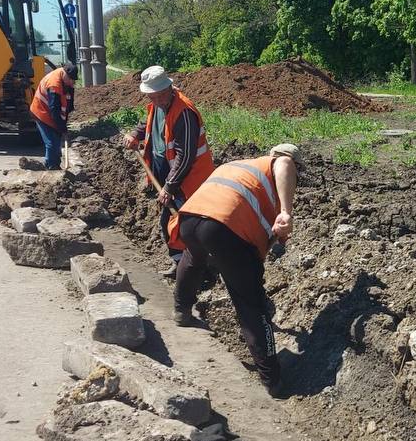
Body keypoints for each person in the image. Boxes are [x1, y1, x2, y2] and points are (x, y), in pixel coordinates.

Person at [171, 144, 300, 396]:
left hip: (191, 220)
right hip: (223, 228)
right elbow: (285, 164)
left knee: (193, 257)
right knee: (249, 303)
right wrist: (286, 211)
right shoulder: (280, 164)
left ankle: (181, 310)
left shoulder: (240, 168)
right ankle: (272, 379)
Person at [123, 66, 213, 246]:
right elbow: (147, 122)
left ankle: (191, 264)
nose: (157, 101)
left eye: (161, 95)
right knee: (170, 221)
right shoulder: (159, 104)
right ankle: (182, 261)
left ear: (169, 88)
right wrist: (134, 134)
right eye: (152, 97)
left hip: (187, 180)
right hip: (165, 170)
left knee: (182, 222)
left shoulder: (184, 112)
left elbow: (185, 156)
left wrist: (170, 186)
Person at [27, 61, 77, 170]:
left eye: (73, 81)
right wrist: (62, 128)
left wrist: (63, 125)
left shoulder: (67, 82)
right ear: (65, 74)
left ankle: (54, 164)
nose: (72, 83)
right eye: (70, 80)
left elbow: (68, 104)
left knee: (56, 139)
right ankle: (51, 168)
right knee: (51, 142)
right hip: (41, 112)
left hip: (50, 113)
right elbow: (54, 109)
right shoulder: (54, 85)